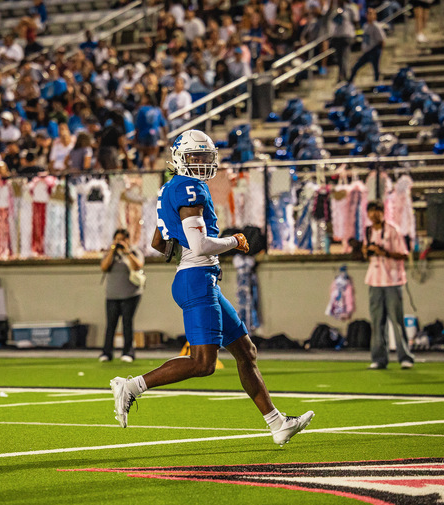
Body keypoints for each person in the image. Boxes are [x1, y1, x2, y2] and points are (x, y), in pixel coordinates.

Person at [109, 129, 313, 446]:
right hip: (197, 279)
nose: (202, 163)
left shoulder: (170, 188)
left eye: (206, 157)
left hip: (200, 279)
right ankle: (132, 386)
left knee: (246, 352)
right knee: (203, 364)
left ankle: (277, 423)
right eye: (195, 157)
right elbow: (201, 245)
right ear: (180, 159)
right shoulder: (189, 188)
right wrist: (236, 240)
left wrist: (183, 248)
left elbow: (159, 245)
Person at [362, 200, 415, 370]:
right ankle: (379, 358)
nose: (374, 215)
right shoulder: (368, 231)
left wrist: (383, 252)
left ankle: (405, 356)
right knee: (377, 322)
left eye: (377, 211)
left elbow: (403, 254)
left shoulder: (393, 230)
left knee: (397, 321)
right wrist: (366, 251)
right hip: (374, 280)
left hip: (392, 280)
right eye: (371, 211)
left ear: (383, 212)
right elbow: (367, 254)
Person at [99, 229, 145, 363]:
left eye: (122, 239)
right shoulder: (110, 253)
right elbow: (104, 267)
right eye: (117, 239)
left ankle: (128, 352)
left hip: (131, 294)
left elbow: (138, 266)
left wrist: (127, 252)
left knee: (127, 323)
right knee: (111, 324)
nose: (119, 242)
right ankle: (106, 353)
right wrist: (112, 250)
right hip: (112, 295)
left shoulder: (134, 251)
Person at [348, 7, 386, 84]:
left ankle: (377, 83)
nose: (369, 15)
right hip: (367, 50)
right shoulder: (365, 26)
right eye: (368, 13)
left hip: (374, 49)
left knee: (376, 68)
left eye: (371, 14)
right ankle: (349, 82)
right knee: (356, 67)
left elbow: (382, 40)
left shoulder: (376, 26)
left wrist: (379, 50)